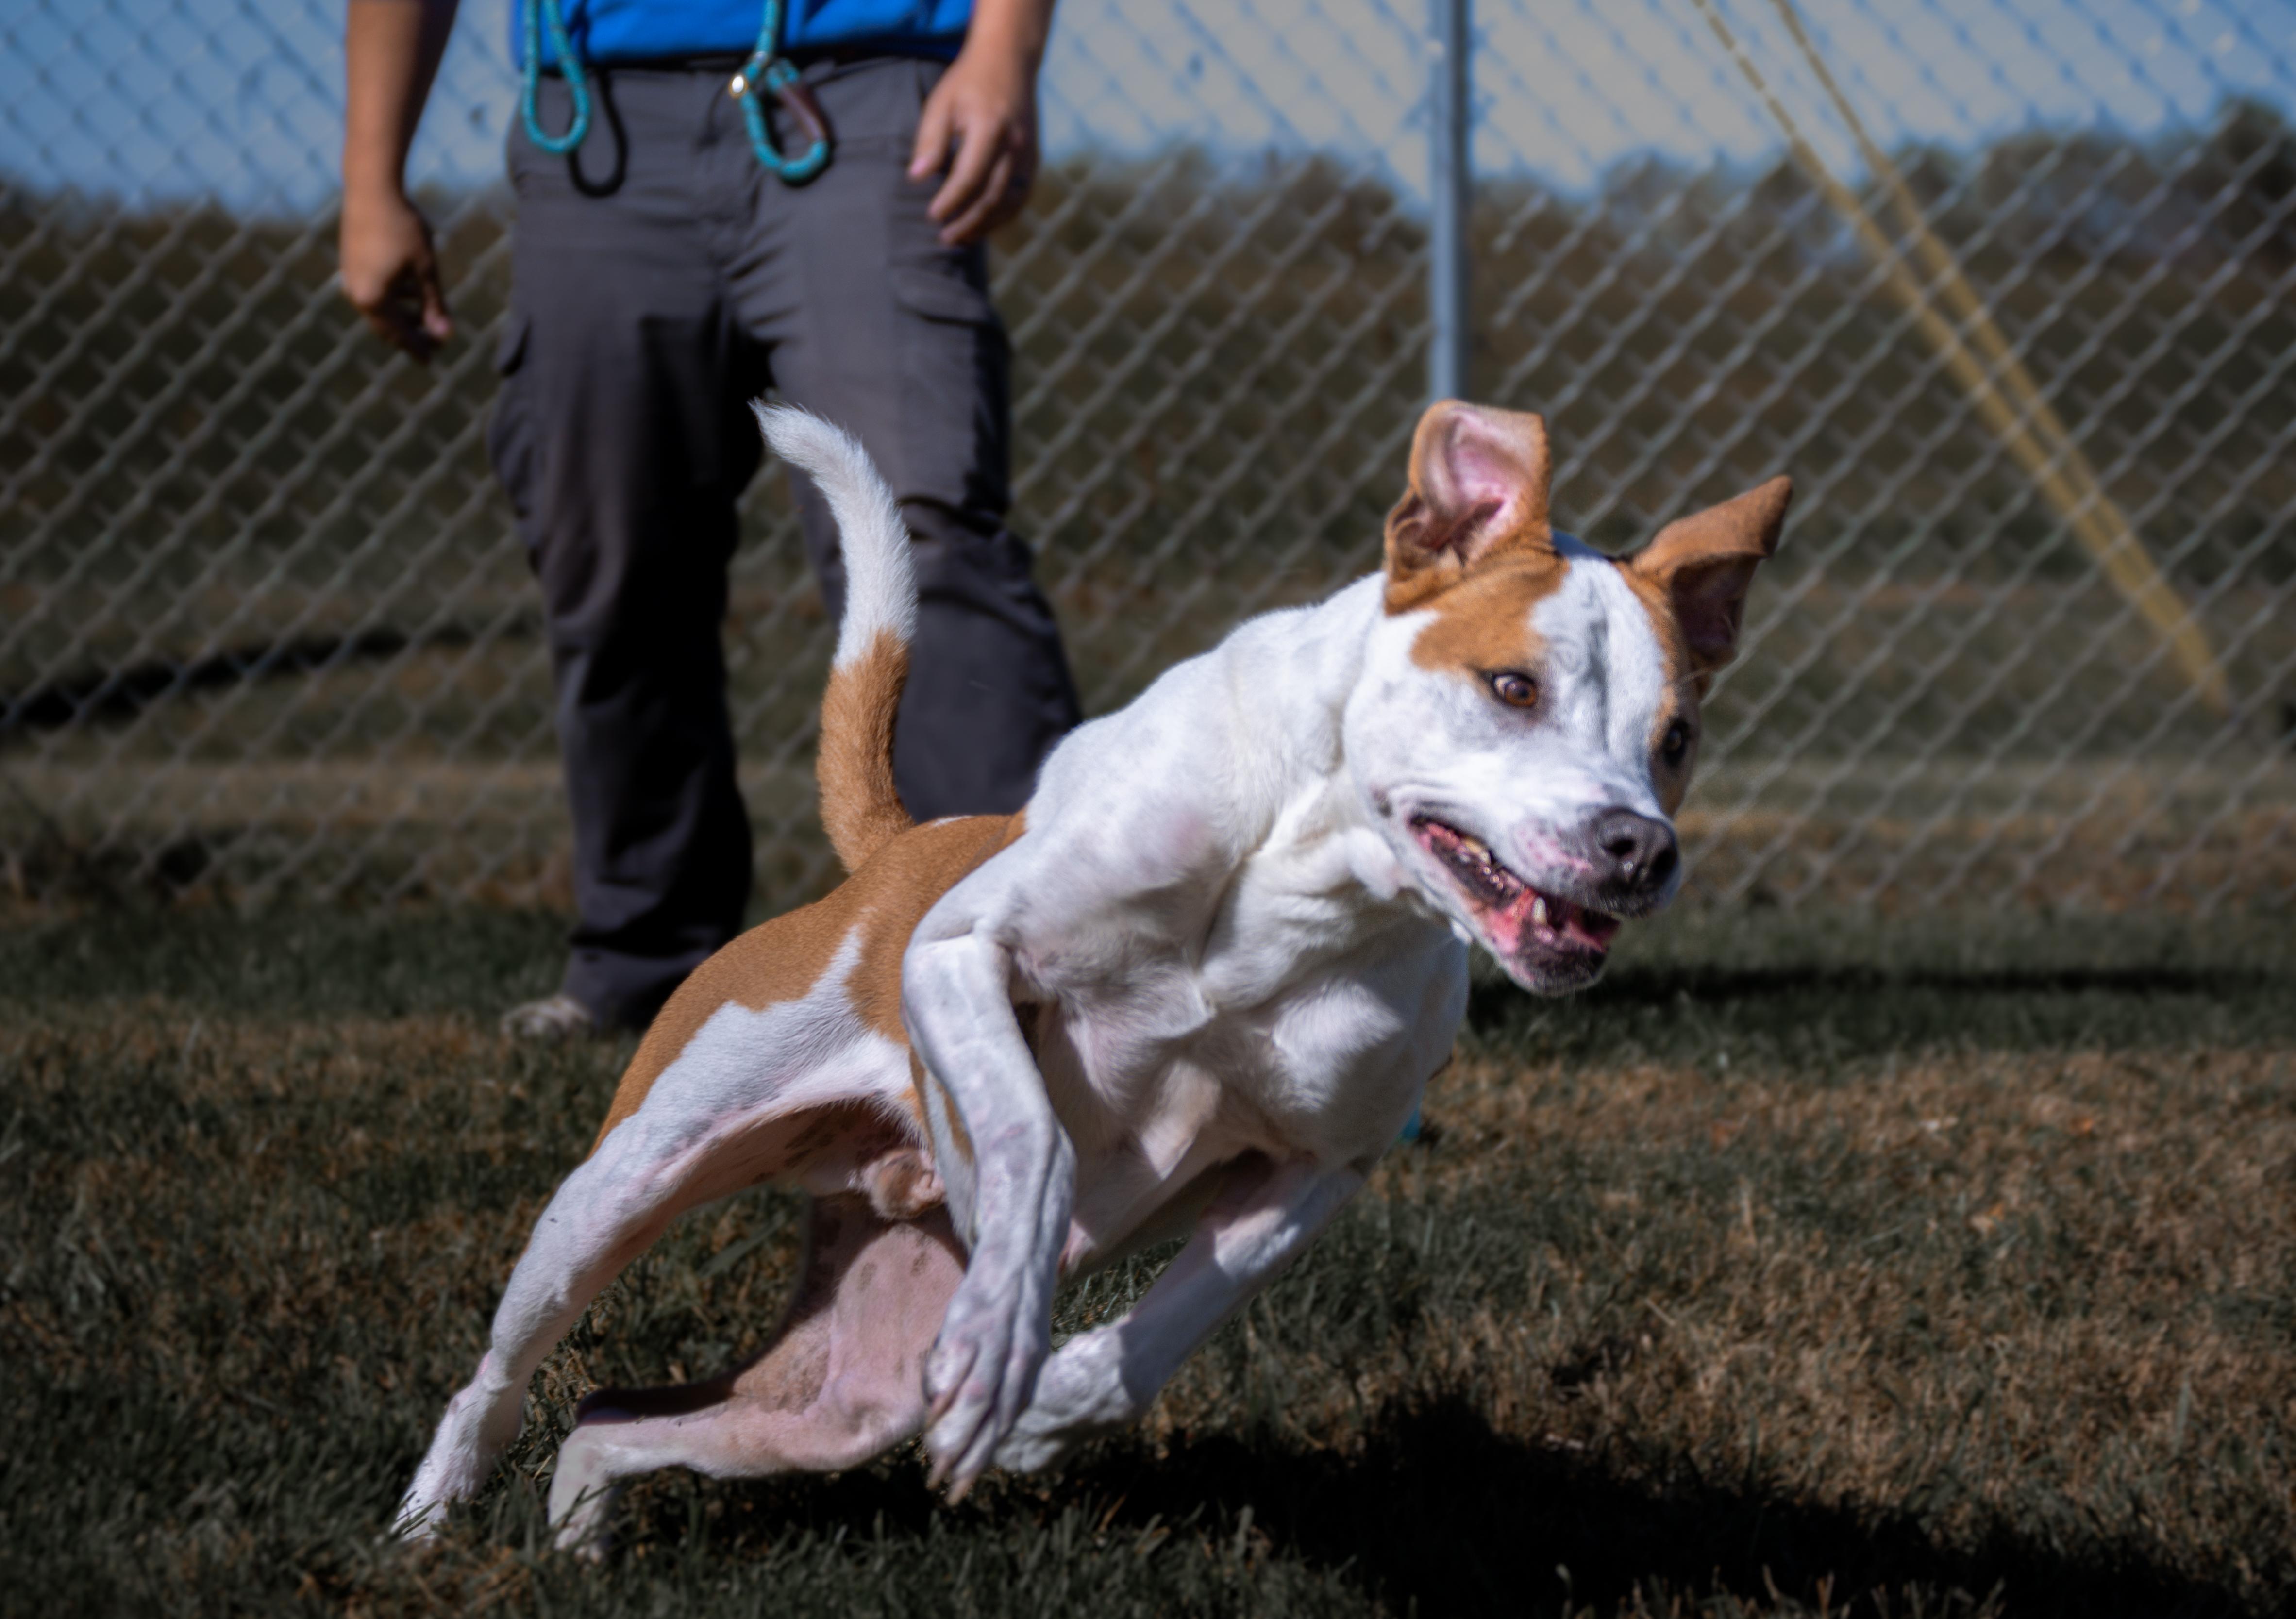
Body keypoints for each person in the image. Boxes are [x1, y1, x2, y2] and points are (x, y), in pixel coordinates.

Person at [339, 0, 1082, 1037]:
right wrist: (371, 177)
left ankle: (1040, 954)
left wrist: (1004, 46)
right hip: (593, 121)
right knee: (606, 548)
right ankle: (646, 960)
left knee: (926, 531)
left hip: (861, 93)